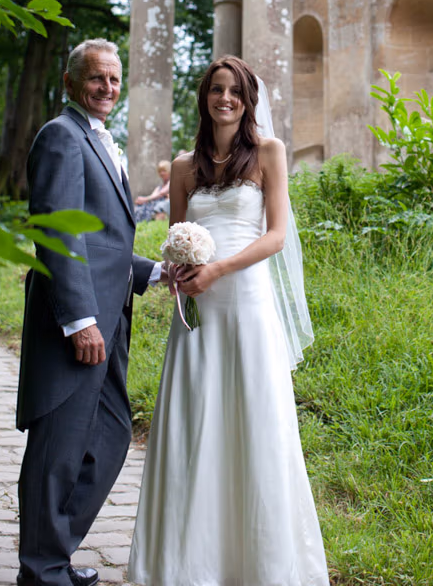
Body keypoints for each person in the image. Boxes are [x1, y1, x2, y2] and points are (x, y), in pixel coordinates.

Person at [128, 56, 329, 586]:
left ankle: (260, 566)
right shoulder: (183, 166)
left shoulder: (269, 152)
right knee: (195, 420)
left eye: (235, 91)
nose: (225, 99)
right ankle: (187, 565)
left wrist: (218, 268)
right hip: (197, 309)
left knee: (252, 419)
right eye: (216, 89)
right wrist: (179, 269)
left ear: (248, 99)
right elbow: (176, 236)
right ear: (204, 98)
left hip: (247, 302)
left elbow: (276, 235)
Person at [16, 39, 165, 586]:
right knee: (59, 446)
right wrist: (79, 320)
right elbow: (56, 232)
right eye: (97, 78)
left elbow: (100, 239)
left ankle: (51, 554)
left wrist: (154, 272)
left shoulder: (100, 139)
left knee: (110, 433)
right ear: (70, 82)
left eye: (114, 79)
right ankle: (41, 570)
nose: (108, 88)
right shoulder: (61, 135)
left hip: (113, 315)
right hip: (78, 322)